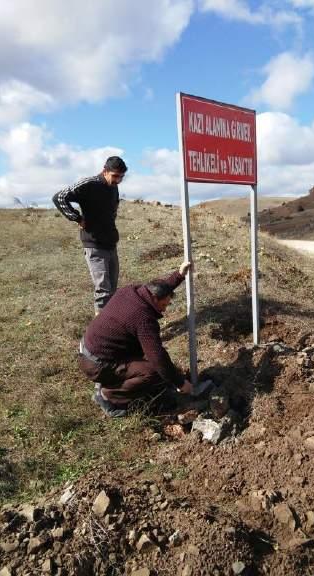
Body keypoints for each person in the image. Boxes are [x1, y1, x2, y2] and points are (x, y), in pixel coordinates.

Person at [78, 261, 193, 417]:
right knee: (153, 372)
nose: (164, 310)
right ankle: (108, 395)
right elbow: (158, 358)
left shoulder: (131, 291)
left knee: (151, 354)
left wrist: (179, 275)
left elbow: (158, 288)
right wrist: (180, 383)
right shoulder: (144, 318)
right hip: (97, 364)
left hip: (90, 351)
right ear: (156, 300)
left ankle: (112, 380)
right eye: (164, 305)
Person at [52, 156, 128, 314]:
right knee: (103, 290)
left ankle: (111, 325)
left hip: (110, 244)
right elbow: (59, 197)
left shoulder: (114, 187)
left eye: (121, 177)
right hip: (93, 245)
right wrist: (76, 218)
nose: (118, 180)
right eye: (115, 176)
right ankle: (101, 332)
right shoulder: (89, 184)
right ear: (104, 171)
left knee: (112, 289)